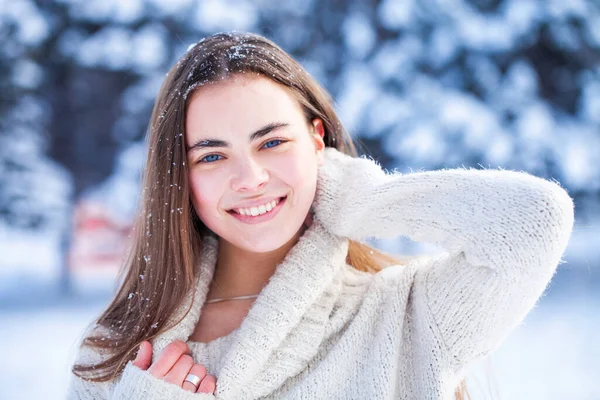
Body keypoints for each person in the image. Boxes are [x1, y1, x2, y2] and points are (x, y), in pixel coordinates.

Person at [68, 31, 574, 400]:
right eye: (212, 155)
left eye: (272, 142)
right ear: (180, 176)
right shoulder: (117, 354)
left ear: (316, 140)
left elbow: (534, 220)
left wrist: (358, 198)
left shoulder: (406, 313)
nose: (250, 178)